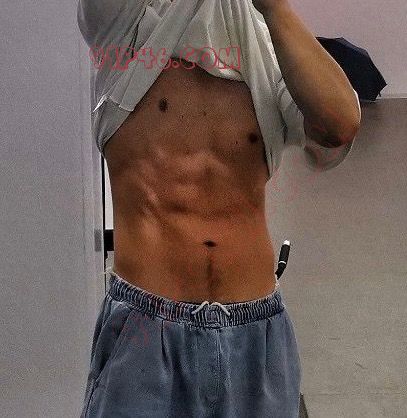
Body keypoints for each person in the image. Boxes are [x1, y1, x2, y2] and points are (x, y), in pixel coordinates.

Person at [77, 0, 361, 416]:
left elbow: (340, 123)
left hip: (256, 333)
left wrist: (275, 9)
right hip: (146, 334)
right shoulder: (124, 22)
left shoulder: (263, 44)